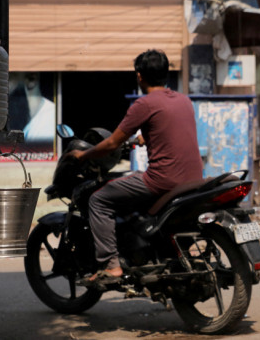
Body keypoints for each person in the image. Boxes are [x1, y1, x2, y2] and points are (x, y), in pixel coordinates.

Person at [68, 50, 203, 284]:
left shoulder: (144, 104)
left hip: (162, 181)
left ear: (139, 76)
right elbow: (168, 129)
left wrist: (83, 154)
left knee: (99, 200)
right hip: (193, 180)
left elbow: (111, 143)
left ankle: (111, 266)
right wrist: (144, 137)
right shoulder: (184, 100)